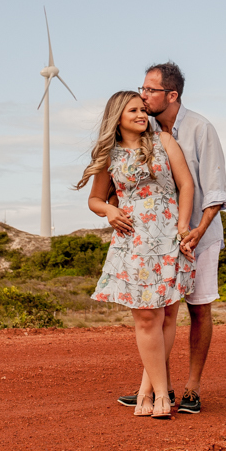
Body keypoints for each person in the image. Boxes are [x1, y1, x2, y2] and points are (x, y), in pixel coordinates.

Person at [117, 61, 226, 415]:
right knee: (158, 313)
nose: (143, 96)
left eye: (150, 90)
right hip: (160, 238)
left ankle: (192, 389)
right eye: (142, 89)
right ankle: (152, 388)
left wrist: (197, 230)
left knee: (198, 308)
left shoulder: (200, 129)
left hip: (199, 233)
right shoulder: (143, 130)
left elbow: (214, 191)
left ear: (172, 94)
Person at [78, 91, 196, 420]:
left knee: (167, 317)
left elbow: (186, 185)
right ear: (117, 116)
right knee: (147, 318)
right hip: (134, 242)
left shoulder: (163, 141)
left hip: (169, 237)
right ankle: (160, 392)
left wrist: (183, 227)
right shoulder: (109, 155)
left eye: (144, 109)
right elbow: (95, 199)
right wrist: (107, 211)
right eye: (134, 110)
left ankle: (149, 391)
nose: (142, 114)